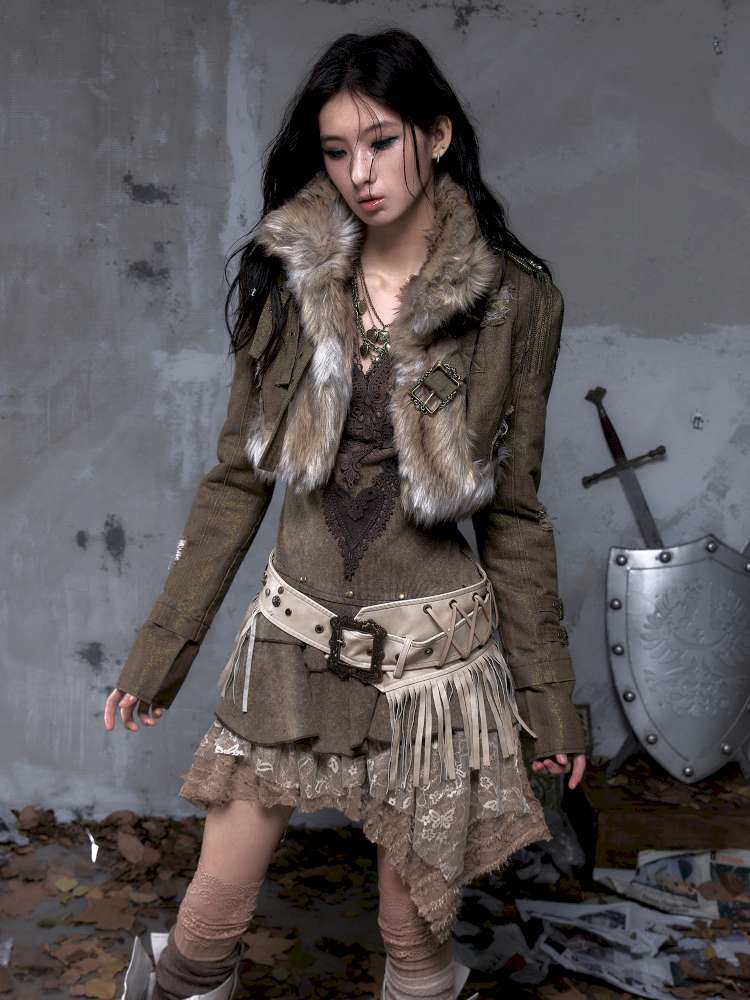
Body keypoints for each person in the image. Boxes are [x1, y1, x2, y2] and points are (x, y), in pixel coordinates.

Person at [104, 26, 587, 1000]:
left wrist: (548, 699)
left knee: (413, 945)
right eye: (336, 150)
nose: (359, 173)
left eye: (380, 141)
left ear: (436, 135)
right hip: (293, 644)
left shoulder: (516, 302)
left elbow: (516, 515)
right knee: (206, 928)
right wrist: (161, 652)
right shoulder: (292, 276)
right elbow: (237, 479)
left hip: (433, 668)